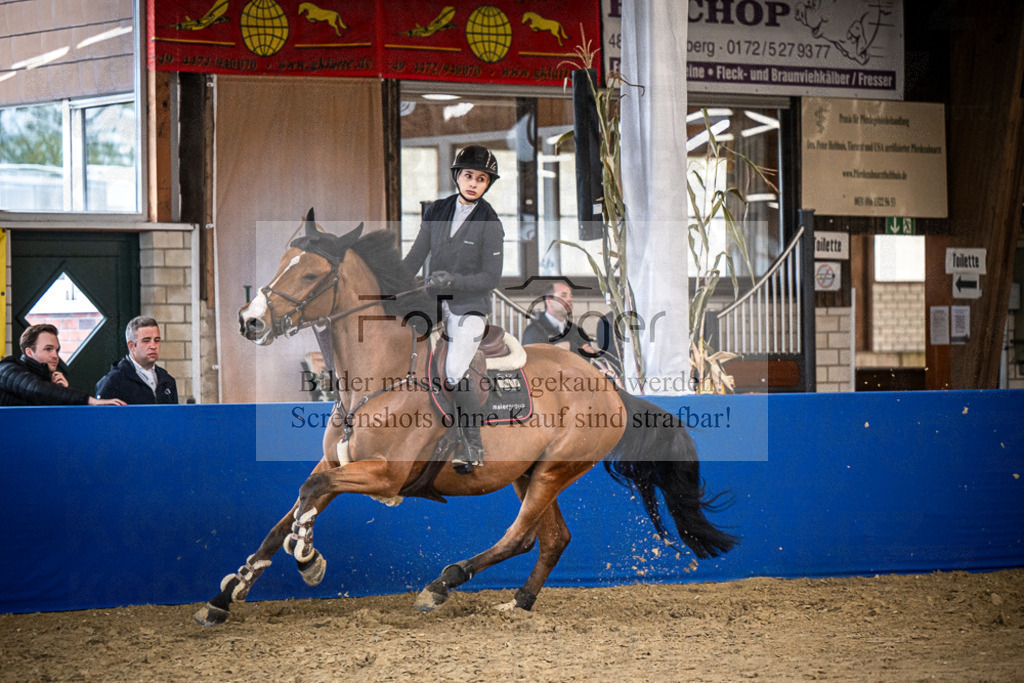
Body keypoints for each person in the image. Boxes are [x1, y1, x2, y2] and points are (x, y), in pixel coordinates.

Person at [402, 144, 504, 473]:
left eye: (481, 179)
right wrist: (388, 285)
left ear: (488, 184)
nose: (474, 183)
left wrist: (453, 281)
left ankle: (472, 443)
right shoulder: (435, 211)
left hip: (468, 307)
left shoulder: (491, 223)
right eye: (469, 176)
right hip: (432, 303)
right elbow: (416, 256)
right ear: (457, 176)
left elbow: (491, 277)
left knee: (454, 372)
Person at [0, 324, 125, 406]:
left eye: (57, 350)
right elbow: (35, 389)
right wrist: (91, 401)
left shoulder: (50, 382)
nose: (55, 355)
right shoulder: (7, 368)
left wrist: (62, 394)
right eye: (48, 349)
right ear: (29, 352)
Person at [96, 316, 179, 404]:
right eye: (146, 341)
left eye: (157, 340)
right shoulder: (113, 381)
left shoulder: (167, 381)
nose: (153, 346)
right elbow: (101, 416)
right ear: (131, 346)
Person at [522, 281, 599, 356]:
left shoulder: (576, 329)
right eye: (564, 295)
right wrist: (573, 350)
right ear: (549, 301)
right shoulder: (534, 330)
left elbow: (589, 357)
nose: (569, 299)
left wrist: (569, 347)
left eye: (570, 296)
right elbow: (533, 360)